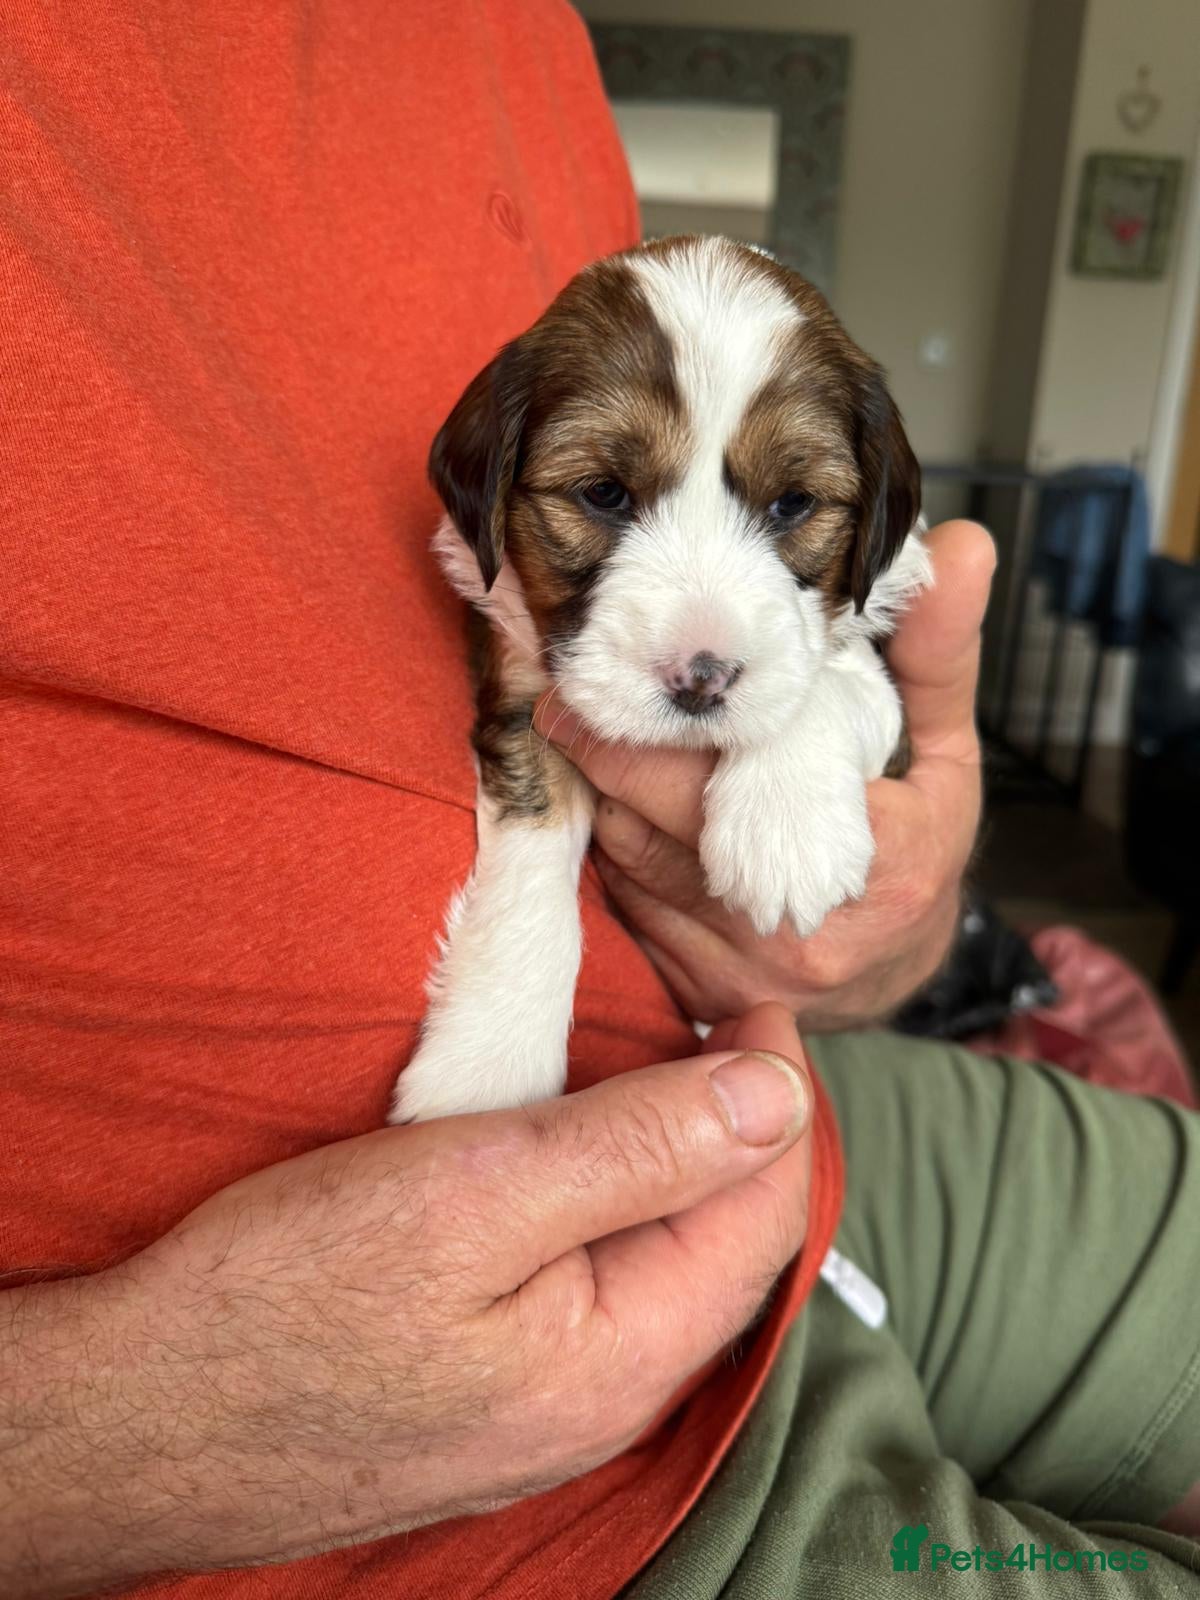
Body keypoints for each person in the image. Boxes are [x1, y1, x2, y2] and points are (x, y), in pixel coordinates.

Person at [2, 4, 1197, 1597]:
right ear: (494, 488)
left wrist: (871, 865)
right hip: (489, 1486)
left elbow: (860, 671)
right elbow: (525, 738)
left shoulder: (516, 45)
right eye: (603, 498)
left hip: (801, 1118)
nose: (700, 637)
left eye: (792, 509)